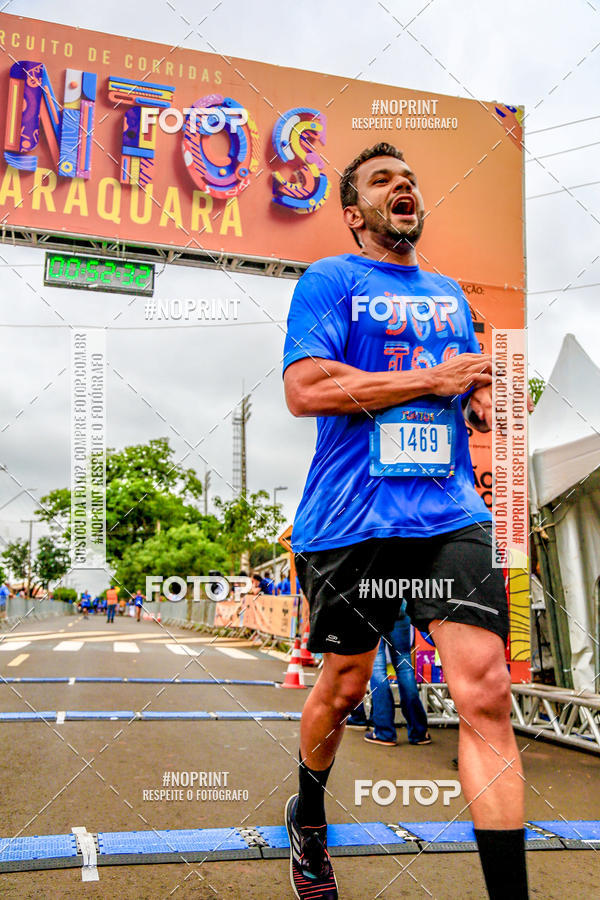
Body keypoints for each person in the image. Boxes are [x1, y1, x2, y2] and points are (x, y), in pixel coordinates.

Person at [282, 143, 527, 900]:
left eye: (411, 180)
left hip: (449, 514)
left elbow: (472, 393)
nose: (404, 188)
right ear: (355, 213)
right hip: (353, 519)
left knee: (485, 692)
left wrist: (488, 401)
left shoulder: (452, 294)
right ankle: (309, 816)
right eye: (384, 181)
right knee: (347, 683)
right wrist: (438, 376)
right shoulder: (331, 280)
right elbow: (306, 388)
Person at [364, 604, 431, 747]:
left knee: (377, 669)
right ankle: (419, 732)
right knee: (404, 667)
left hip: (372, 606)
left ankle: (384, 732)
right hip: (399, 605)